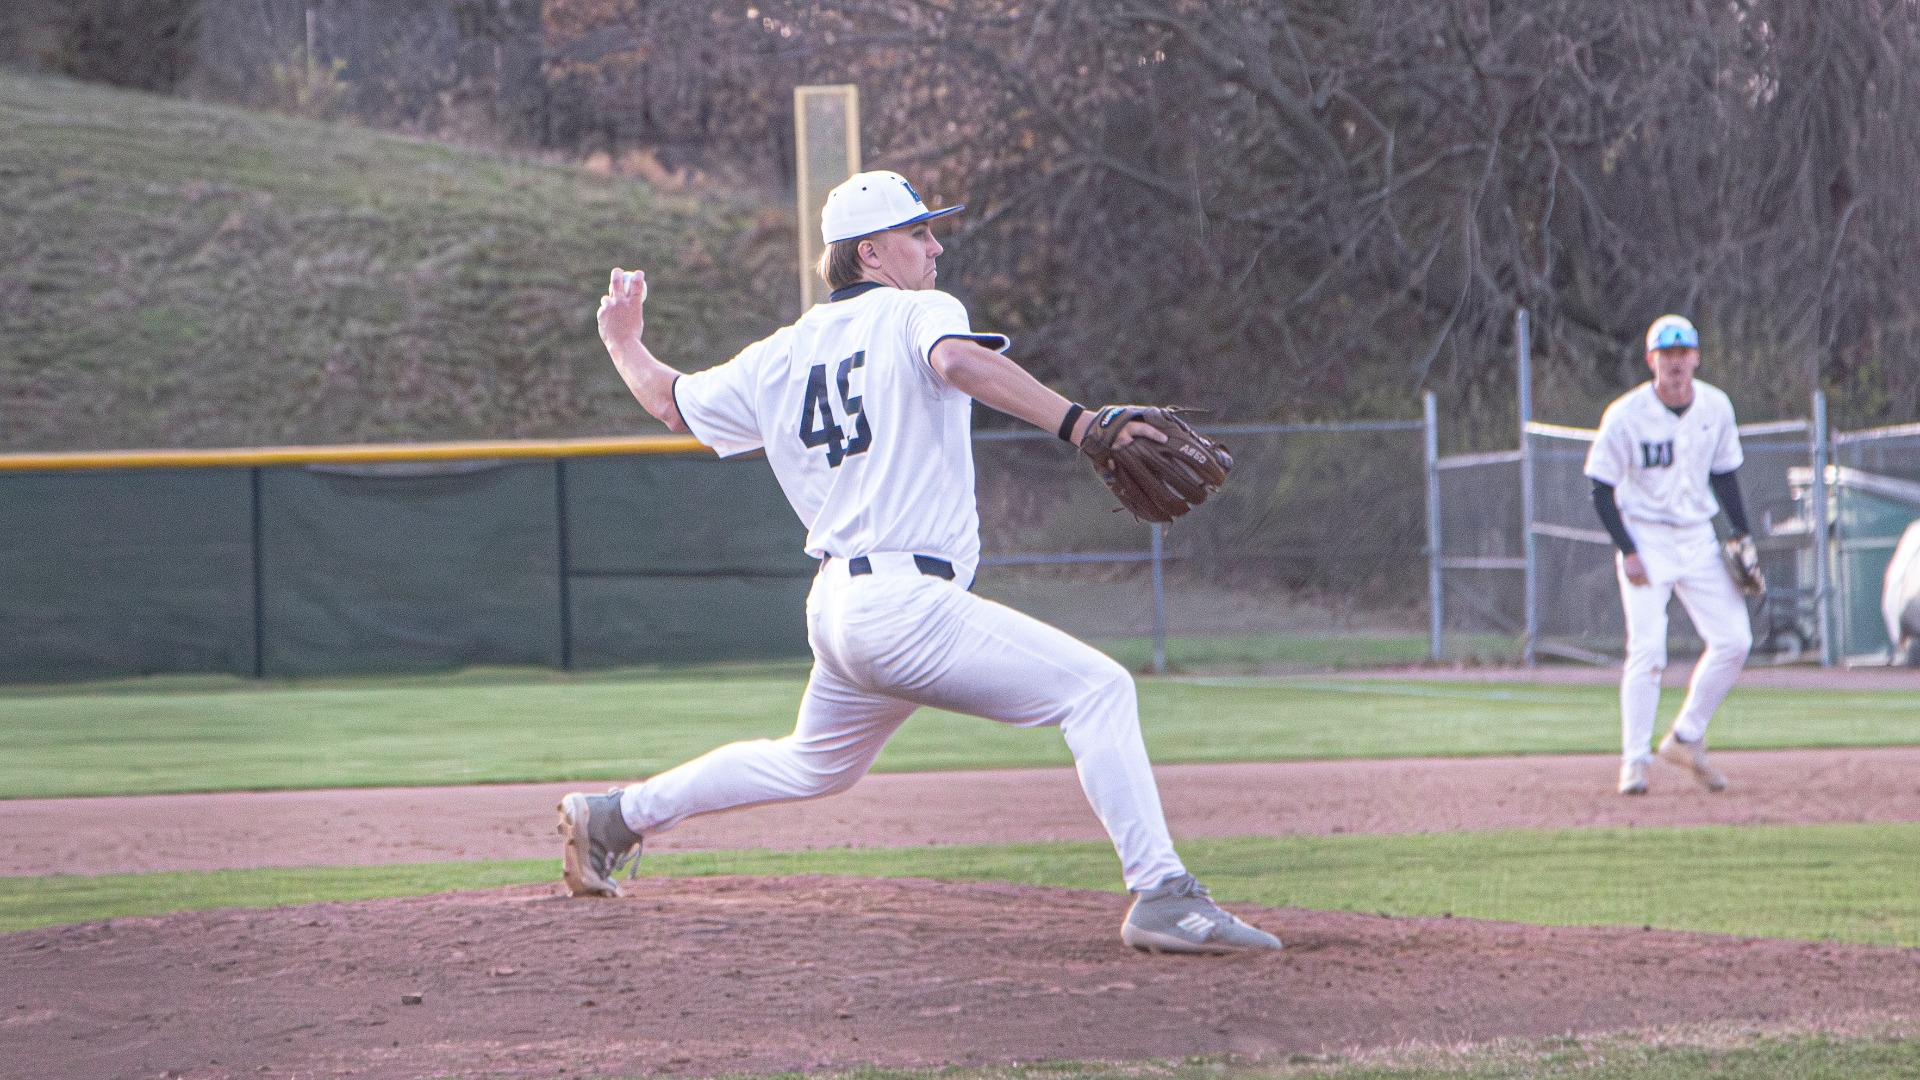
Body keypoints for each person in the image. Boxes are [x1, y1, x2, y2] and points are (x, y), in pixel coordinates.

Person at [556, 170, 1281, 954]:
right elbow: (959, 363)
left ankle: (617, 817)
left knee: (813, 764)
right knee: (1098, 692)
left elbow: (670, 402)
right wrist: (1081, 424)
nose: (935, 248)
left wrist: (623, 342)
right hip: (905, 607)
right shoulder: (917, 311)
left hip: (838, 609)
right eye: (918, 233)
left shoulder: (778, 355)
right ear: (870, 252)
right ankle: (1163, 893)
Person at [1585, 314, 1753, 796]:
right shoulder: (1626, 414)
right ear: (1650, 360)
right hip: (1645, 536)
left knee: (1734, 640)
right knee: (1648, 650)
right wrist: (1628, 550)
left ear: (1696, 357)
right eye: (1666, 355)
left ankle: (1685, 737)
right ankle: (1633, 762)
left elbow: (1724, 474)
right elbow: (1599, 488)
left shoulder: (1716, 406)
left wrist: (1741, 533)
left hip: (1697, 537)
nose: (1675, 363)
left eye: (1683, 354)